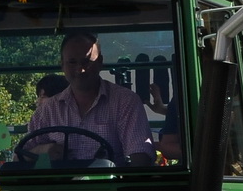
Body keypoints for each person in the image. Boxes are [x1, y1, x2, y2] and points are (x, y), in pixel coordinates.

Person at [26, 31, 155, 164]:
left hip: (111, 183)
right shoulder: (47, 110)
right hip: (60, 183)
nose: (80, 69)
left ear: (100, 62)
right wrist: (43, 150)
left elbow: (140, 154)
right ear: (62, 65)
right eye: (72, 62)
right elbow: (20, 156)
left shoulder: (125, 101)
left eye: (86, 62)